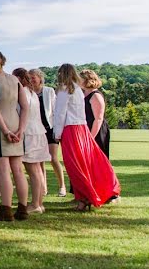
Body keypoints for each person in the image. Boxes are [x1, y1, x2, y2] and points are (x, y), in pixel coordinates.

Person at [53, 65, 121, 210]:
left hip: (71, 129)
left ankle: (84, 198)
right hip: (81, 128)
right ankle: (85, 197)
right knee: (83, 164)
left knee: (75, 166)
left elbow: (60, 114)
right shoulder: (78, 90)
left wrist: (57, 134)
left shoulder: (65, 90)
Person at [0, 51, 30, 221]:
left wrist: (5, 130)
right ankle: (23, 209)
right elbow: (25, 107)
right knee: (18, 170)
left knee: (3, 169)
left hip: (0, 125)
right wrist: (21, 130)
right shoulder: (15, 80)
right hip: (16, 123)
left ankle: (6, 210)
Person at [13, 68, 51, 214]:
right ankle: (39, 203)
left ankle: (35, 204)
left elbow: (21, 112)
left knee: (32, 170)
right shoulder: (32, 93)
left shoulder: (23, 92)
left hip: (29, 133)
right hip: (38, 132)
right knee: (37, 170)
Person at [29, 69, 66, 197]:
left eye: (33, 77)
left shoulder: (48, 91)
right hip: (37, 130)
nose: (32, 80)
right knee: (39, 160)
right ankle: (43, 188)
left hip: (50, 128)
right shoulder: (28, 93)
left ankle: (62, 186)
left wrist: (57, 128)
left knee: (53, 158)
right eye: (30, 78)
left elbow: (55, 110)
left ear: (40, 78)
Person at [80, 69, 111, 158]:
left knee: (98, 159)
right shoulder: (83, 94)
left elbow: (98, 119)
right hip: (86, 129)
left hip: (96, 131)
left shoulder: (95, 95)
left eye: (80, 79)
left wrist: (91, 137)